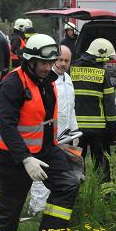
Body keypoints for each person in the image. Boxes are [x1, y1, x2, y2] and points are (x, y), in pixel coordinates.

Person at [0, 34, 80, 231]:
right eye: (43, 62)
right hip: (13, 158)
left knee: (68, 184)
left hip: (45, 150)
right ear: (29, 60)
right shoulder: (13, 83)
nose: (47, 67)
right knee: (9, 210)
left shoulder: (48, 81)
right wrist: (25, 158)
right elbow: (7, 127)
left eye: (51, 62)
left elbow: (46, 122)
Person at [28, 45, 78, 215]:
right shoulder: (46, 81)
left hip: (64, 137)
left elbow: (71, 107)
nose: (63, 64)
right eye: (60, 60)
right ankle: (36, 210)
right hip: (45, 137)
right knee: (41, 175)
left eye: (66, 61)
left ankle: (50, 208)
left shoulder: (68, 80)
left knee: (59, 175)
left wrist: (74, 129)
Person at [71, 38, 116, 195]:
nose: (107, 64)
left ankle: (76, 194)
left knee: (76, 162)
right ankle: (107, 195)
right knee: (102, 162)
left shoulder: (72, 69)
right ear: (101, 56)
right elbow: (109, 107)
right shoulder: (102, 74)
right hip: (98, 130)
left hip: (76, 130)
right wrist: (111, 133)